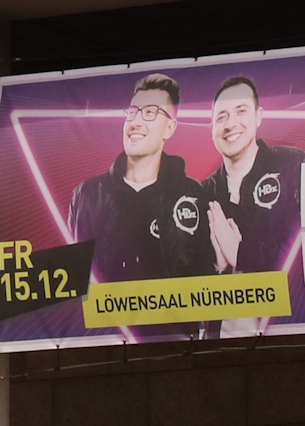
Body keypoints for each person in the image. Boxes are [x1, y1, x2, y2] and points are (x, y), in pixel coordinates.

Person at [64, 73, 216, 288]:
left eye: (149, 112)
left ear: (170, 128)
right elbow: (73, 279)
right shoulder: (87, 195)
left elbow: (205, 282)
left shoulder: (192, 195)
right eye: (132, 112)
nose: (136, 122)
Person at [198, 74, 305, 279]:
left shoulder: (292, 164)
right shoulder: (203, 193)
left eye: (241, 111)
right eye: (221, 117)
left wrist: (241, 254)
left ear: (258, 116)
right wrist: (217, 266)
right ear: (212, 129)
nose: (230, 124)